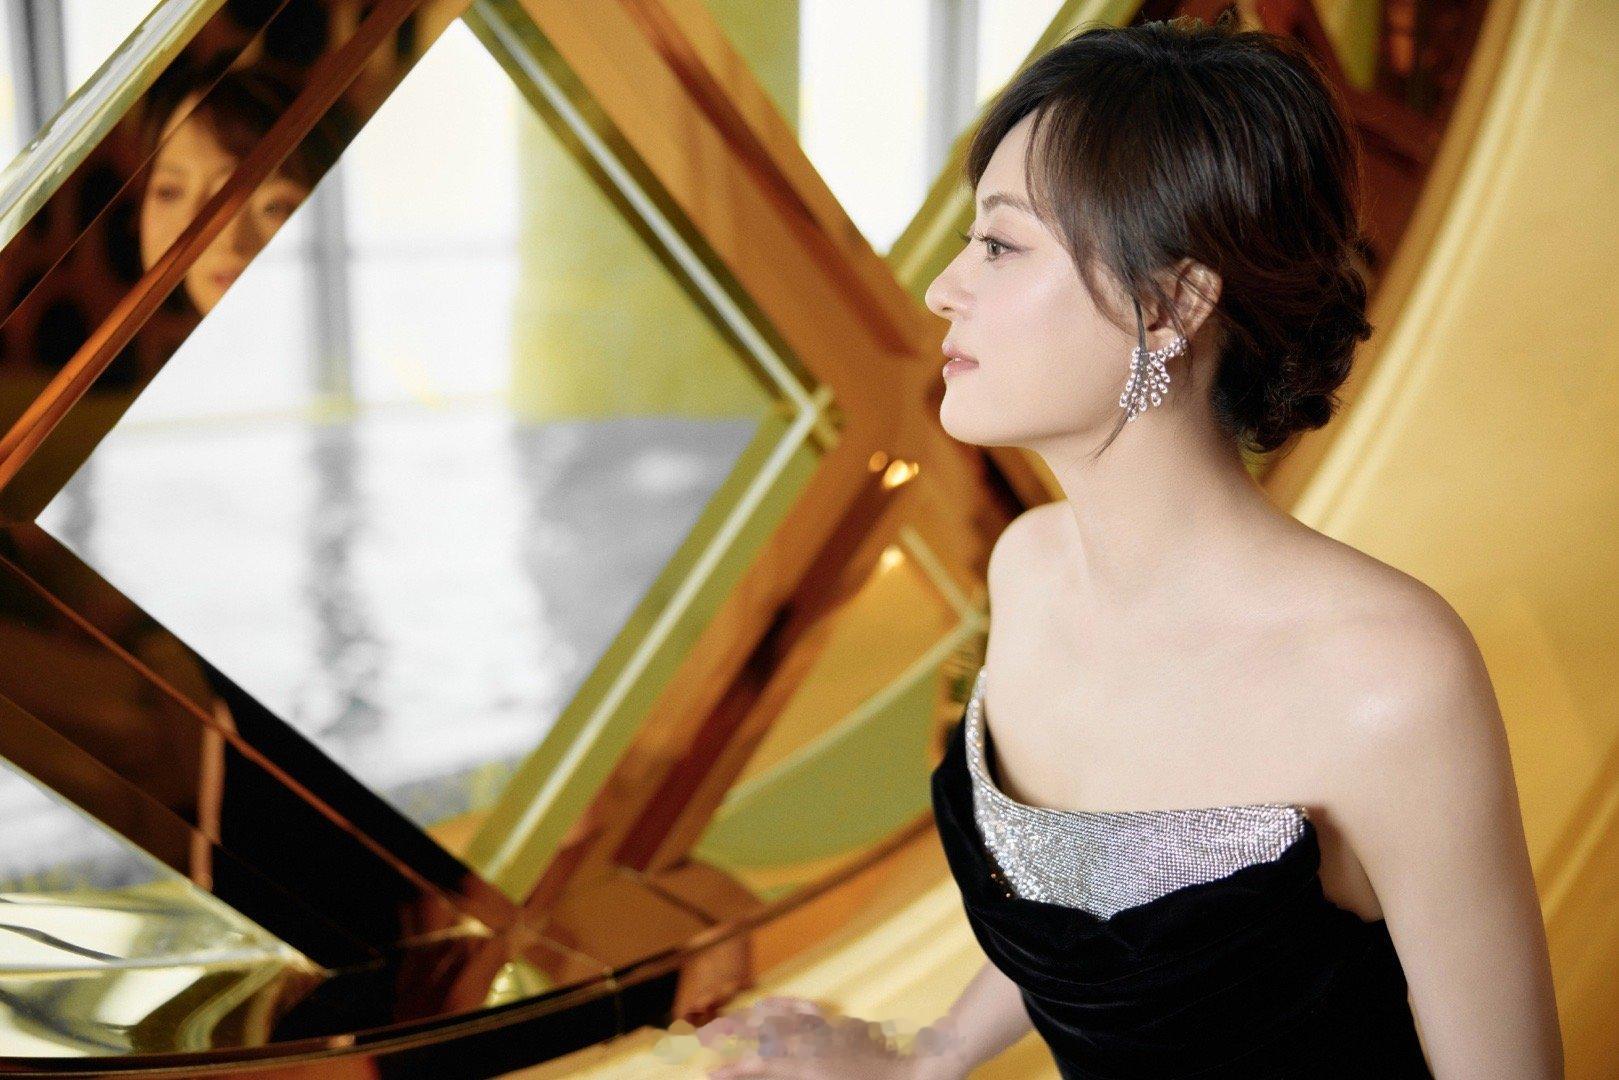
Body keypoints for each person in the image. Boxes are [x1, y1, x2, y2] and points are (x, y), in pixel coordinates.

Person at [702, 14, 1563, 1080]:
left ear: (1171, 303)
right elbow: (1086, 926)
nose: (943, 288)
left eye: (999, 245)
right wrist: (921, 1059)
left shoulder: (1385, 679)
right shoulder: (1027, 568)